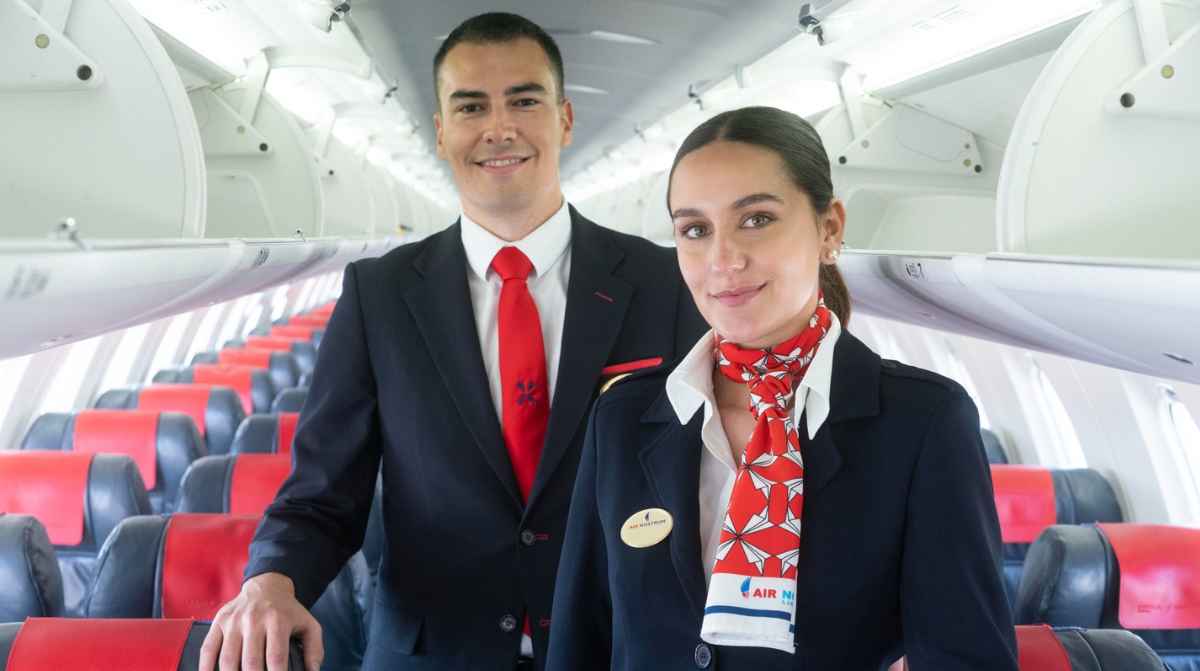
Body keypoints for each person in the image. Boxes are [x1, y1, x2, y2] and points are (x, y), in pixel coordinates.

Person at [199, 12, 704, 671]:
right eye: (471, 107)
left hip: (615, 646)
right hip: (431, 651)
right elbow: (324, 493)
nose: (499, 128)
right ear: (441, 132)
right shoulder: (377, 296)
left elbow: (714, 474)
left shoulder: (665, 283)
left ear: (566, 119)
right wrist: (271, 579)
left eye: (525, 100)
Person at [545, 106, 1018, 670]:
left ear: (829, 228)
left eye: (756, 219)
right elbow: (582, 639)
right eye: (695, 230)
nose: (723, 260)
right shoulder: (625, 417)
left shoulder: (921, 423)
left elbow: (966, 658)